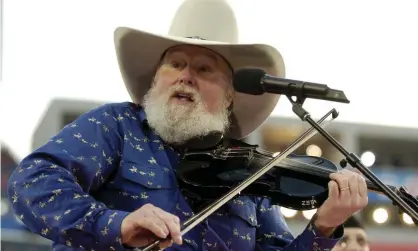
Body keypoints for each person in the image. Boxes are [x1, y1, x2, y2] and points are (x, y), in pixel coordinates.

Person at [7, 0, 368, 250]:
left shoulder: (252, 174)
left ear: (229, 95)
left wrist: (324, 225)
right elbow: (32, 181)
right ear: (155, 81)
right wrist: (114, 224)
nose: (186, 77)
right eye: (175, 64)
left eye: (204, 69)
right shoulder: (117, 125)